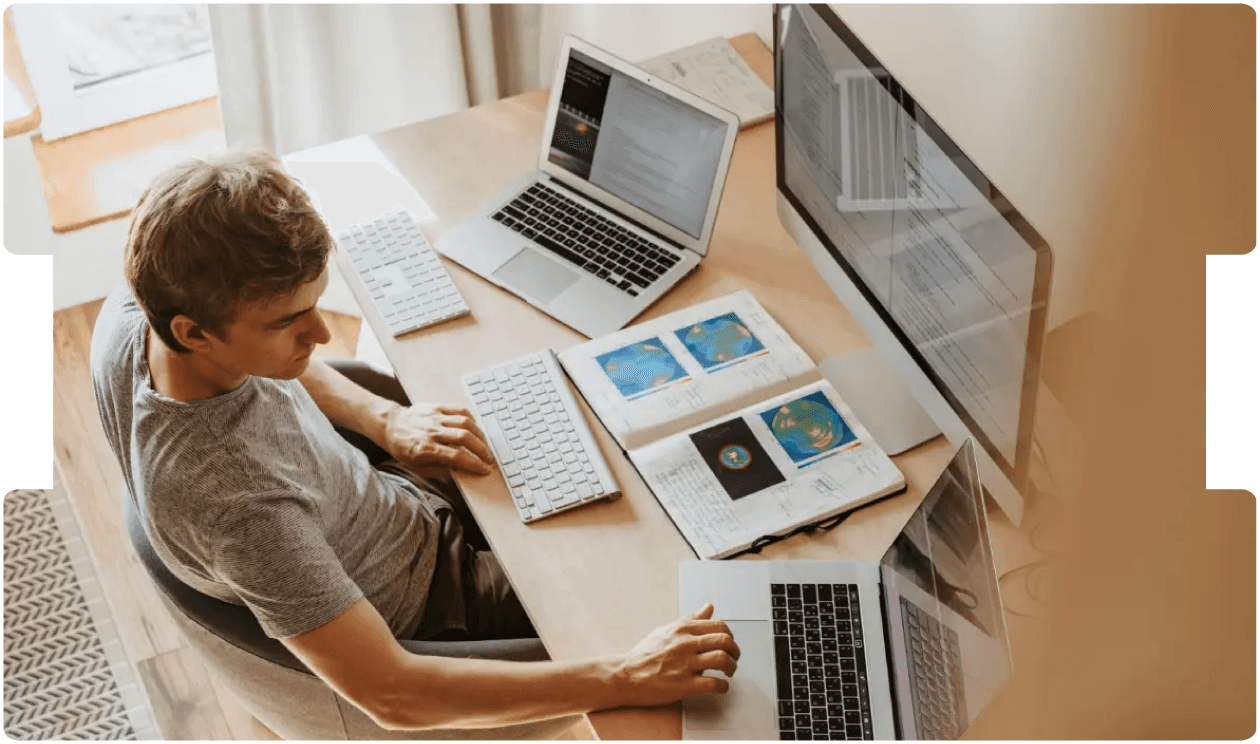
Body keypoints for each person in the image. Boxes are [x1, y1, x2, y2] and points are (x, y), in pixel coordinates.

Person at [90, 150, 738, 731]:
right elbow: (395, 694)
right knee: (679, 589)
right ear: (194, 331)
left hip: (391, 507)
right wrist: (623, 677)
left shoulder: (140, 312)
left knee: (614, 447)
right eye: (288, 321)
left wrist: (384, 421)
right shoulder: (238, 506)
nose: (319, 335)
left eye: (316, 303)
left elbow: (253, 325)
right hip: (437, 607)